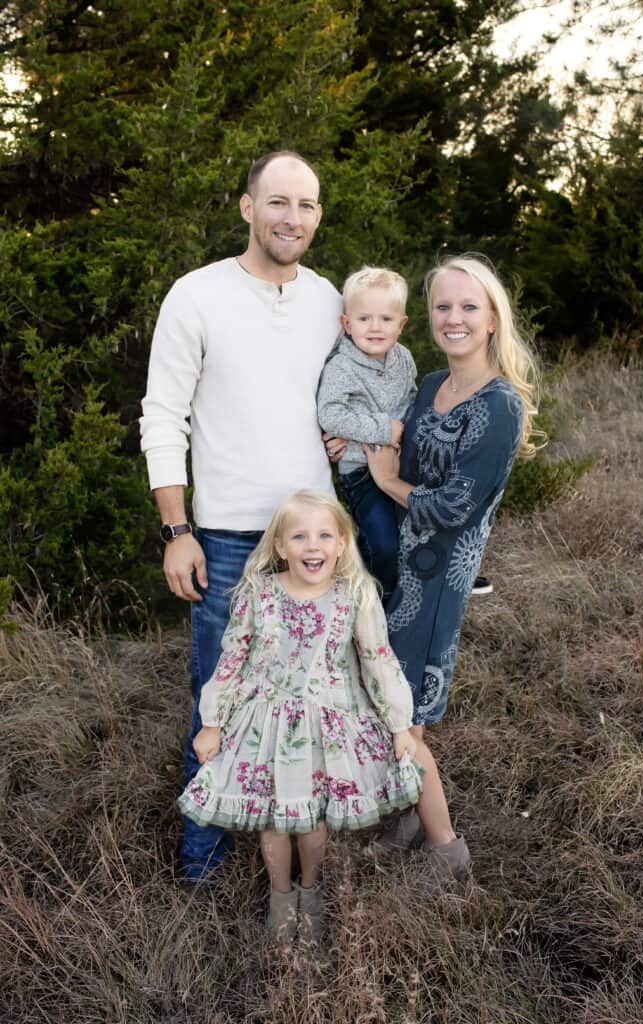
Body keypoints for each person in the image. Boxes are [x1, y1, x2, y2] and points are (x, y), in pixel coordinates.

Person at [140, 151, 344, 883]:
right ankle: (201, 860)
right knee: (220, 699)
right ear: (246, 207)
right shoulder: (196, 295)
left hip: (315, 541)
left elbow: (350, 385)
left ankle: (292, 844)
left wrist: (350, 431)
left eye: (308, 205)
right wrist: (177, 528)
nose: (293, 217)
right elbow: (162, 415)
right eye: (279, 201)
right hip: (224, 537)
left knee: (308, 698)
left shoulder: (327, 299)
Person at [177, 490, 454, 945]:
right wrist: (212, 722)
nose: (313, 546)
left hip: (328, 724)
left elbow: (378, 660)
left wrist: (400, 726)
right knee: (274, 818)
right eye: (300, 536)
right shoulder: (259, 594)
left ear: (342, 544)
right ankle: (280, 898)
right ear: (280, 546)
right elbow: (231, 659)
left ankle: (312, 891)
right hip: (265, 723)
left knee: (312, 820)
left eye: (325, 535)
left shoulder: (353, 596)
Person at [364, 253, 540, 857]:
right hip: (393, 570)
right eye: (443, 306)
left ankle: (446, 851)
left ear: (493, 319)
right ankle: (409, 819)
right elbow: (399, 449)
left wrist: (387, 483)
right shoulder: (434, 386)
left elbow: (454, 507)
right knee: (384, 703)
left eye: (469, 306)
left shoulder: (499, 406)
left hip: (436, 587)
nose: (454, 318)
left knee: (403, 719)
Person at [317, 267, 415, 604]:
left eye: (386, 319)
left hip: (400, 467)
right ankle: (368, 604)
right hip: (361, 473)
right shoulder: (341, 367)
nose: (375, 327)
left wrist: (401, 437)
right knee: (383, 544)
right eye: (364, 318)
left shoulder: (403, 359)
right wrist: (383, 430)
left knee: (420, 533)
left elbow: (411, 402)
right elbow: (330, 414)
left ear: (401, 324)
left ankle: (413, 602)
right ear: (347, 324)